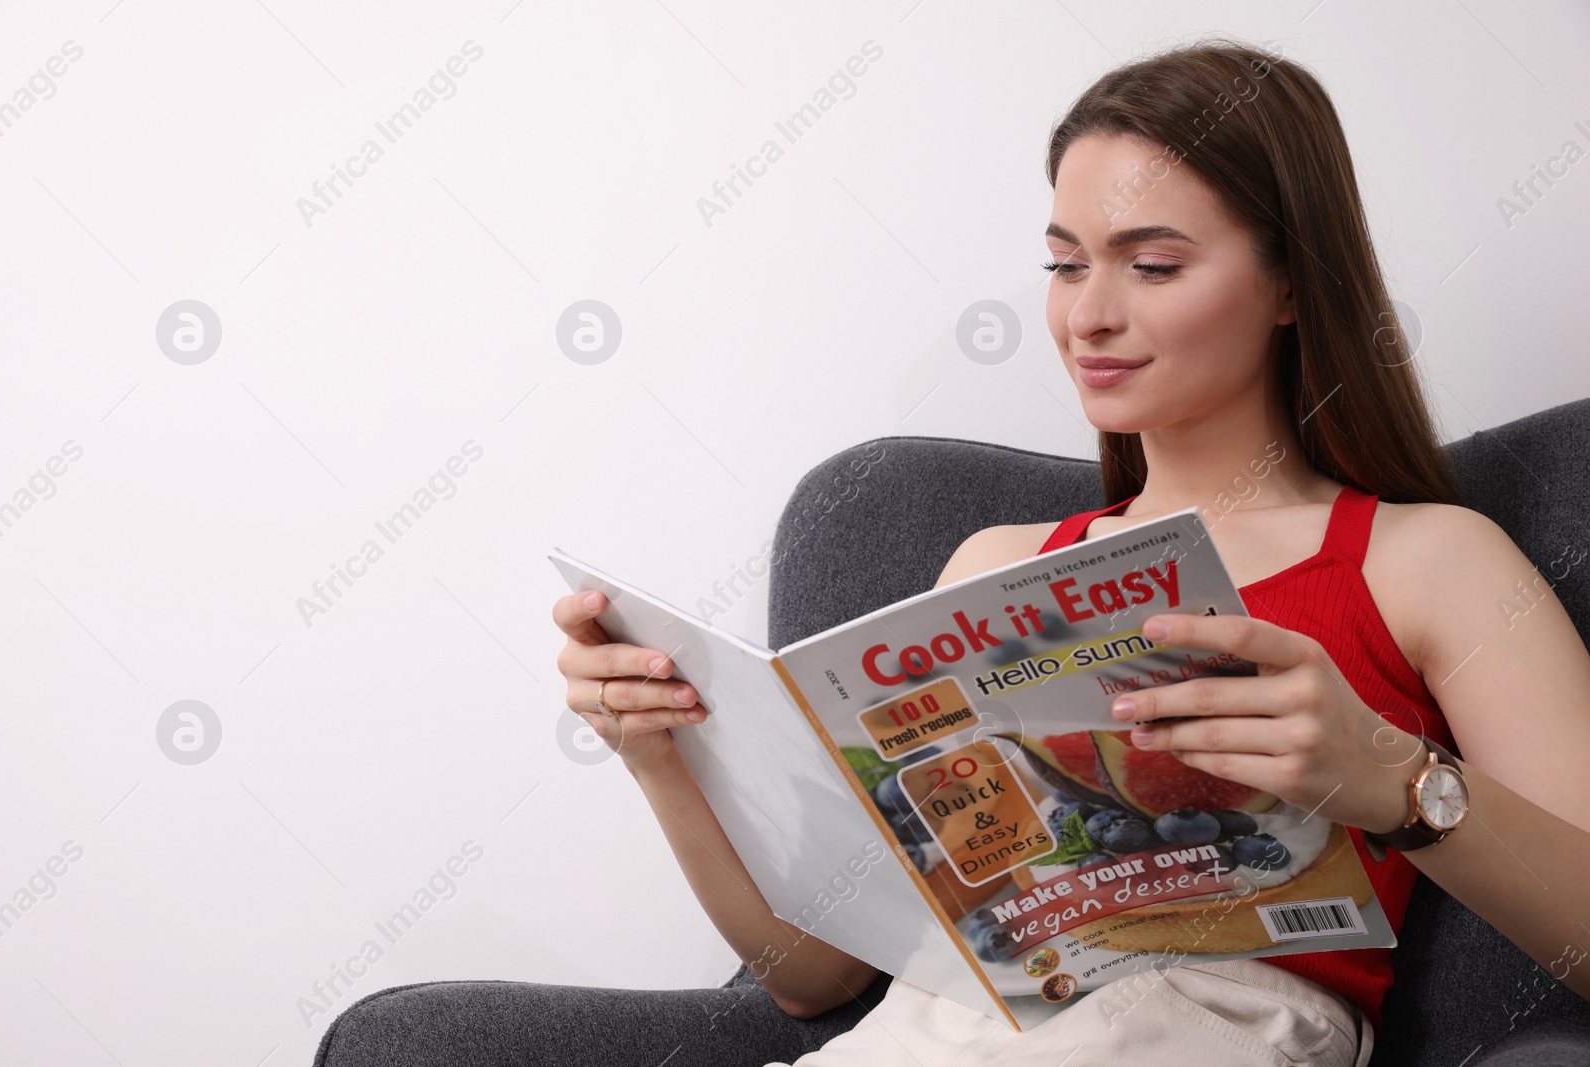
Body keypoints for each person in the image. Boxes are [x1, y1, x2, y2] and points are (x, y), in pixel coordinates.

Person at [551, 35, 1590, 1067]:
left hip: (1206, 1024)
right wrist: (660, 758)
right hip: (937, 1032)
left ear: (1289, 284)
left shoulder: (1425, 560)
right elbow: (810, 977)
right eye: (1063, 264)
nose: (1087, 315)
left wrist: (1394, 779)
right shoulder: (990, 570)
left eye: (1150, 264)